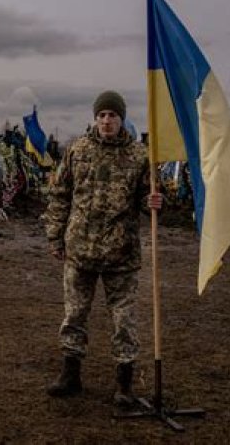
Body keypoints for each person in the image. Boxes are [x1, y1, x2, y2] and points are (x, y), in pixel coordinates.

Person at [41, 90, 163, 406]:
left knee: (124, 321)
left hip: (121, 254)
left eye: (112, 115)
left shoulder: (140, 156)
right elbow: (60, 195)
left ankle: (124, 384)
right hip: (79, 251)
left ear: (122, 119)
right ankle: (70, 376)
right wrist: (55, 237)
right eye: (102, 115)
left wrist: (154, 202)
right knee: (74, 315)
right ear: (95, 118)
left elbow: (148, 201)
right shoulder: (77, 150)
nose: (107, 121)